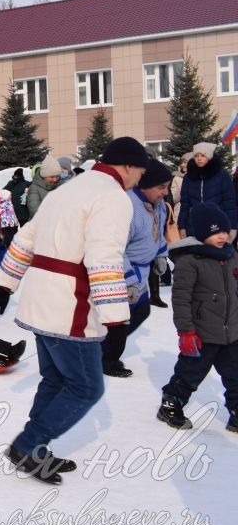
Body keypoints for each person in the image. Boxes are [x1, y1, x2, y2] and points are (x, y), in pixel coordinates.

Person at [0, 136, 149, 485]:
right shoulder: (112, 197)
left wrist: (4, 282)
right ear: (127, 166)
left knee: (57, 378)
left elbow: (26, 236)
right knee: (86, 387)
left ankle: (35, 449)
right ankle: (28, 445)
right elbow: (103, 259)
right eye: (140, 170)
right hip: (70, 306)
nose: (140, 177)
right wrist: (117, 317)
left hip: (40, 299)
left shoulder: (68, 188)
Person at [158, 202, 238, 433]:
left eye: (224, 231)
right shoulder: (190, 262)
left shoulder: (232, 256)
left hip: (231, 333)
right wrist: (185, 332)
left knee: (235, 375)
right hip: (201, 333)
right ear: (202, 233)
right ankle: (171, 404)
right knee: (190, 374)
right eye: (215, 232)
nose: (222, 236)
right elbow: (181, 300)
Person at [100, 158, 172, 378]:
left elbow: (159, 233)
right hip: (123, 271)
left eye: (167, 187)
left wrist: (161, 255)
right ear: (144, 186)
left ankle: (102, 350)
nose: (165, 192)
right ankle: (106, 359)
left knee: (141, 311)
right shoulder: (128, 206)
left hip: (143, 271)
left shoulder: (158, 205)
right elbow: (115, 247)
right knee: (118, 320)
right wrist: (128, 278)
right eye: (161, 187)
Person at [177, 142, 237, 242]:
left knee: (217, 256)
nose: (199, 158)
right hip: (194, 226)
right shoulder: (189, 177)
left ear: (209, 156)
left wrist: (233, 227)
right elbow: (184, 204)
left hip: (217, 226)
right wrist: (182, 226)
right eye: (196, 155)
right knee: (196, 256)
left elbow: (229, 203)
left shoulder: (221, 175)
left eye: (203, 155)